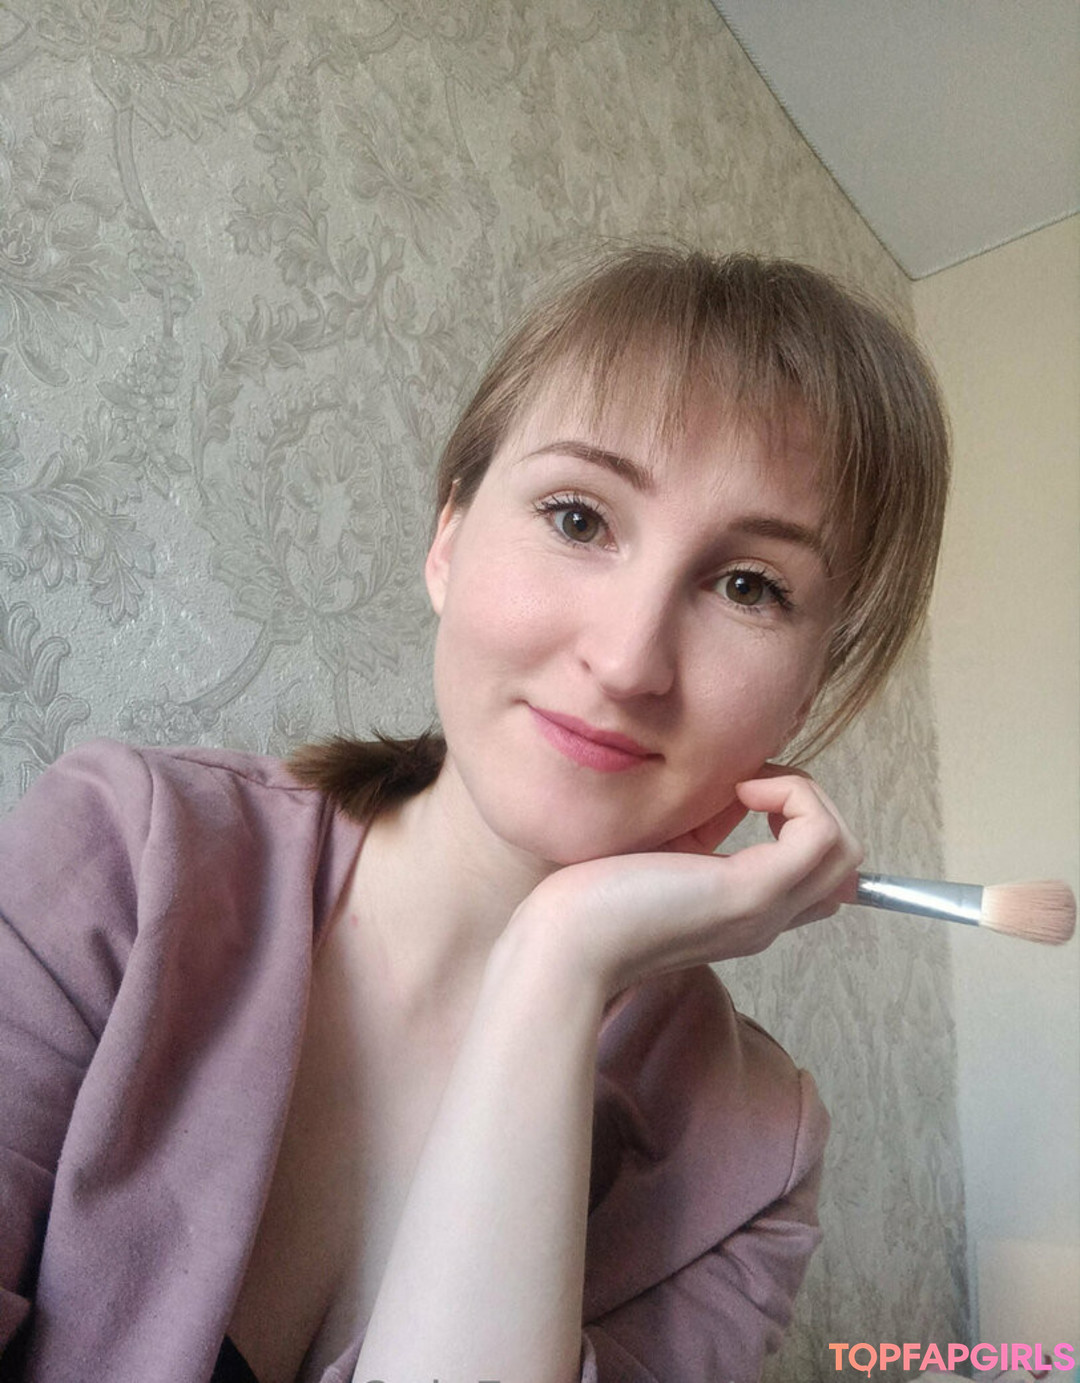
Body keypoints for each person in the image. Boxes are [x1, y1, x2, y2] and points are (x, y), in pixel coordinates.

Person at [0, 248, 949, 1383]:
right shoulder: (125, 853)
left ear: (807, 696)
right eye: (578, 518)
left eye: (750, 586)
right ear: (447, 538)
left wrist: (559, 959)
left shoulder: (753, 1159)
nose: (628, 659)